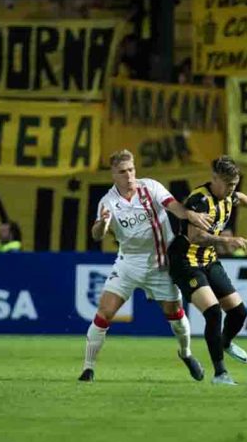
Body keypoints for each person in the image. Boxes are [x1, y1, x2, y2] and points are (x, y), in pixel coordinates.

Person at [79, 149, 212, 382]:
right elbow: (97, 235)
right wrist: (102, 223)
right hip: (129, 263)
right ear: (113, 174)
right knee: (104, 312)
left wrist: (190, 215)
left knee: (174, 314)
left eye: (131, 169)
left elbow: (173, 206)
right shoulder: (108, 202)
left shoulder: (151, 187)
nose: (129, 175)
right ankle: (88, 368)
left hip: (161, 264)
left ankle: (186, 353)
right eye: (122, 172)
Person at [168, 156, 247, 385]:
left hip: (209, 261)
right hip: (186, 263)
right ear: (215, 179)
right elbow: (195, 237)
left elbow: (239, 197)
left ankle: (225, 342)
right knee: (213, 312)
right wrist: (225, 241)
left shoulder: (230, 194)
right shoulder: (199, 200)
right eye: (229, 184)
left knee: (239, 312)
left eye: (235, 183)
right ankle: (220, 373)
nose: (233, 189)